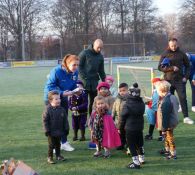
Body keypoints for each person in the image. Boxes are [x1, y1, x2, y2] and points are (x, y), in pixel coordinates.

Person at [44, 54, 80, 151]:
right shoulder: (57, 71)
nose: (76, 67)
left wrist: (77, 89)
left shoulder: (75, 72)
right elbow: (50, 86)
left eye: (77, 65)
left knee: (63, 120)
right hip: (51, 98)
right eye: (74, 65)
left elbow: (72, 85)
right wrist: (61, 93)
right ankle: (55, 145)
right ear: (67, 64)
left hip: (63, 98)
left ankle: (64, 142)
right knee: (54, 122)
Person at [158, 37, 194, 124]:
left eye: (175, 45)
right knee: (168, 99)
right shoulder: (164, 54)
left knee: (183, 98)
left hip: (179, 80)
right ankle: (169, 117)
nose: (173, 47)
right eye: (171, 46)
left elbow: (188, 66)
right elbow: (159, 67)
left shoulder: (182, 53)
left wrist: (186, 76)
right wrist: (171, 68)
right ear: (169, 45)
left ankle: (186, 117)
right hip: (168, 81)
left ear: (177, 44)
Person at [120, 83, 145, 169]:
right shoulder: (141, 103)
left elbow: (123, 117)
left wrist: (120, 128)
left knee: (132, 145)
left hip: (130, 128)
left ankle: (136, 163)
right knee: (140, 143)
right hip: (139, 127)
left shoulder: (127, 105)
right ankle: (142, 158)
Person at [79, 39, 106, 115]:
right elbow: (79, 66)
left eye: (101, 48)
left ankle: (92, 118)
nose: (99, 49)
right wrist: (84, 78)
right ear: (94, 45)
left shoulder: (100, 57)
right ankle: (83, 120)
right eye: (98, 47)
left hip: (94, 82)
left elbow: (101, 70)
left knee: (94, 101)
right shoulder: (84, 53)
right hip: (84, 82)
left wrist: (105, 82)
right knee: (83, 102)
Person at [42, 91, 68, 164]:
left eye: (59, 98)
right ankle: (50, 157)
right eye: (56, 99)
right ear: (51, 100)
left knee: (58, 144)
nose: (59, 100)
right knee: (51, 145)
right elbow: (45, 121)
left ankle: (58, 155)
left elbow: (65, 120)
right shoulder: (47, 109)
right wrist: (46, 130)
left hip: (59, 130)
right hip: (51, 131)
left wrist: (66, 128)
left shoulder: (62, 109)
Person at [156, 81, 179, 159]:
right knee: (167, 137)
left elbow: (165, 116)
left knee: (169, 137)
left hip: (168, 123)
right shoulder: (172, 96)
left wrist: (164, 129)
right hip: (172, 121)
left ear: (161, 91)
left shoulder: (166, 101)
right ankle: (167, 150)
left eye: (157, 91)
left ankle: (173, 153)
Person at [112, 83, 129, 150]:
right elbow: (114, 108)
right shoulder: (117, 99)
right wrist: (112, 116)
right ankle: (121, 143)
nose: (122, 92)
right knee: (120, 132)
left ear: (127, 90)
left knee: (127, 133)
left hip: (127, 120)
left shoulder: (129, 99)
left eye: (124, 90)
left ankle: (128, 144)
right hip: (118, 120)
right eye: (120, 91)